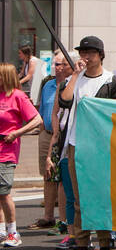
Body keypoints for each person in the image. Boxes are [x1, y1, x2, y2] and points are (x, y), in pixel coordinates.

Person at [57, 36, 116, 250]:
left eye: (90, 52)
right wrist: (74, 75)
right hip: (75, 142)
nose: (86, 56)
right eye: (83, 52)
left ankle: (104, 243)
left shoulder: (111, 81)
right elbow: (64, 101)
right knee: (78, 196)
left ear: (100, 54)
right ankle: (81, 243)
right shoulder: (76, 79)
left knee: (99, 195)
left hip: (100, 146)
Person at [0, 62, 42, 247]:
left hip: (6, 150)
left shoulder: (17, 96)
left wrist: (16, 132)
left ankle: (13, 232)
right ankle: (2, 230)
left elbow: (36, 119)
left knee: (4, 192)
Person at [31, 51, 71, 232]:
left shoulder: (70, 85)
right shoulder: (48, 84)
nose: (56, 67)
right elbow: (43, 109)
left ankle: (64, 220)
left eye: (60, 64)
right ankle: (48, 216)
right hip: (46, 133)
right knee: (47, 175)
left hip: (63, 136)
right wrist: (41, 132)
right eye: (55, 64)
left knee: (62, 178)